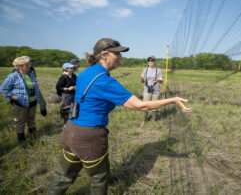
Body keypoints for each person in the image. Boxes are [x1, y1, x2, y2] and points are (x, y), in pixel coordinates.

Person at [46, 38, 192, 194]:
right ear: (104, 55)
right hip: (89, 137)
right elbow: (140, 106)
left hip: (70, 131)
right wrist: (173, 100)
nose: (121, 57)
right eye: (117, 54)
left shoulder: (84, 73)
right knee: (99, 180)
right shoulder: (105, 81)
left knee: (62, 178)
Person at [0, 56, 46, 144]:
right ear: (19, 66)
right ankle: (22, 140)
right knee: (20, 121)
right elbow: (3, 89)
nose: (29, 66)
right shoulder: (12, 77)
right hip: (20, 103)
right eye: (27, 65)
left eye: (29, 64)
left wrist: (38, 98)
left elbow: (35, 87)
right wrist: (14, 97)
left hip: (33, 101)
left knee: (31, 119)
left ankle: (33, 135)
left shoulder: (31, 74)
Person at [140, 56, 163, 126]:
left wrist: (159, 80)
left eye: (152, 60)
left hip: (156, 90)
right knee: (145, 105)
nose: (150, 61)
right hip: (147, 90)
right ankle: (143, 121)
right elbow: (142, 81)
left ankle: (154, 121)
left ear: (155, 61)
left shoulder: (158, 70)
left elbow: (161, 81)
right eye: (149, 60)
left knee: (155, 106)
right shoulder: (145, 69)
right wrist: (142, 79)